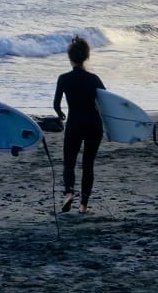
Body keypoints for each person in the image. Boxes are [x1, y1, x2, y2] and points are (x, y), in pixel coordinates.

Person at [54, 35, 106, 214]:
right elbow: (106, 102)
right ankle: (83, 206)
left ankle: (68, 192)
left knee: (69, 162)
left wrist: (61, 114)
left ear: (70, 58)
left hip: (74, 123)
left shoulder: (63, 79)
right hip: (93, 124)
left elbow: (56, 104)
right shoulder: (94, 79)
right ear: (86, 57)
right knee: (88, 164)